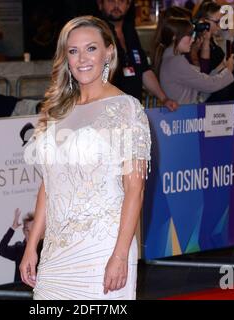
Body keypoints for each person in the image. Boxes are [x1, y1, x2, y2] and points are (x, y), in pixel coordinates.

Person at [20, 15, 151, 300]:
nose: (82, 59)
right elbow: (50, 186)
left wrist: (119, 255)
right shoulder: (57, 111)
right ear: (65, 57)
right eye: (73, 51)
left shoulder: (127, 109)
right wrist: (32, 245)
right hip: (57, 252)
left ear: (109, 52)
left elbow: (135, 189)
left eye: (91, 48)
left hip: (102, 249)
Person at [97, 0, 178, 111]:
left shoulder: (130, 31)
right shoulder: (97, 34)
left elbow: (144, 70)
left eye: (121, 1)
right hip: (108, 110)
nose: (116, 5)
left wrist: (164, 99)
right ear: (100, 4)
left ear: (128, 5)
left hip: (133, 110)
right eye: (111, 0)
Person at [151, 17, 234, 105]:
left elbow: (200, 78)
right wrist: (228, 70)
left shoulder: (170, 57)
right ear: (174, 37)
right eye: (189, 36)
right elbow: (209, 85)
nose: (192, 40)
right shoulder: (176, 61)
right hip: (184, 113)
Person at [0, 209, 42, 283]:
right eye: (27, 230)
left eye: (33, 230)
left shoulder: (45, 249)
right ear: (23, 231)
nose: (30, 234)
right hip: (20, 291)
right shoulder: (19, 248)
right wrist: (13, 228)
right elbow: (1, 250)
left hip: (39, 291)